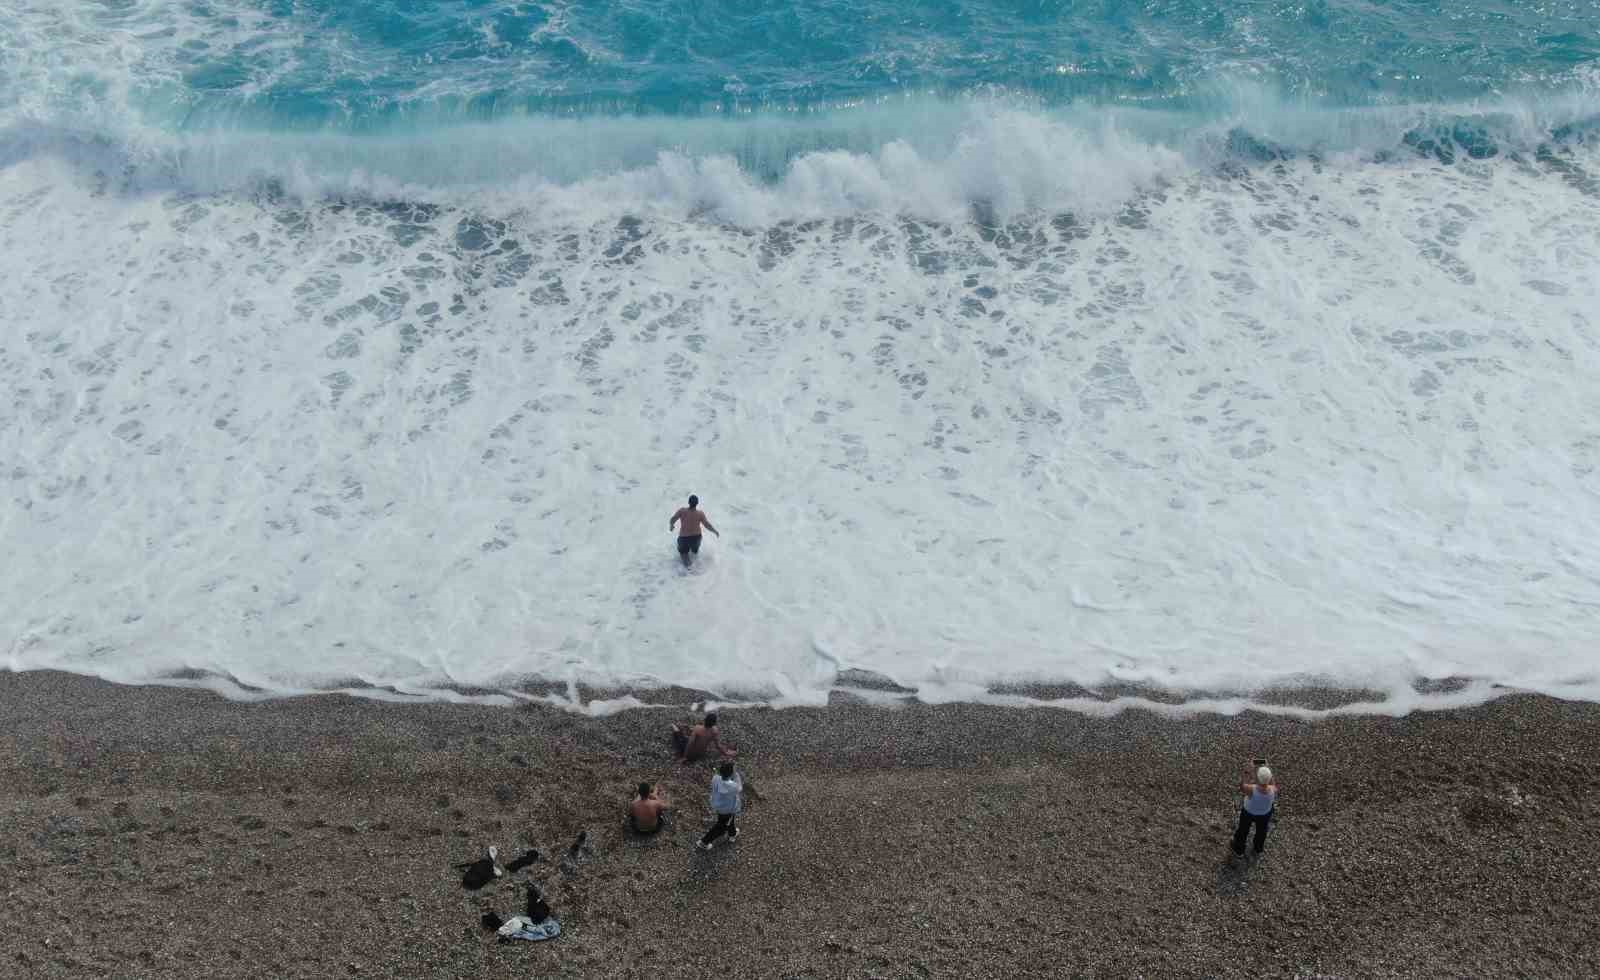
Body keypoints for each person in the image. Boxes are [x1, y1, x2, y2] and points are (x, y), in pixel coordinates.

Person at [1231, 763, 1278, 858]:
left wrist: (1247, 772)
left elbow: (1242, 786)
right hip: (1264, 814)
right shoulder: (1273, 789)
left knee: (1243, 830)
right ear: (1269, 779)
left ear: (1258, 777)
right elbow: (1274, 784)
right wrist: (1269, 770)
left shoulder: (1252, 789)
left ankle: (1239, 850)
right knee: (1262, 831)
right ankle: (1258, 849)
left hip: (1248, 812)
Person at [697, 761, 742, 851]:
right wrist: (736, 775)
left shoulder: (716, 778)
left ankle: (732, 834)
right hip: (727, 810)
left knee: (729, 821)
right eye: (734, 770)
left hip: (718, 804)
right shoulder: (731, 786)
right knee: (721, 827)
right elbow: (739, 788)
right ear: (730, 774)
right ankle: (704, 842)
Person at [669, 494, 719, 566]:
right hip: (696, 538)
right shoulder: (700, 513)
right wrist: (715, 531)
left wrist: (671, 526)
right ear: (697, 503)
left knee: (684, 555)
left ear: (688, 502)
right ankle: (697, 570)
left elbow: (672, 519)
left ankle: (689, 570)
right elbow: (707, 525)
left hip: (684, 538)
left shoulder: (682, 511)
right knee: (694, 553)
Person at [671, 711, 736, 763]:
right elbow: (718, 746)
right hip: (701, 754)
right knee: (689, 732)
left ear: (705, 720)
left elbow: (690, 744)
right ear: (714, 723)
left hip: (691, 754)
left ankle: (673, 725)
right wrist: (726, 753)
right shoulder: (715, 731)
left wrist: (685, 757)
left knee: (678, 735)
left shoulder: (697, 728)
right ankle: (684, 728)